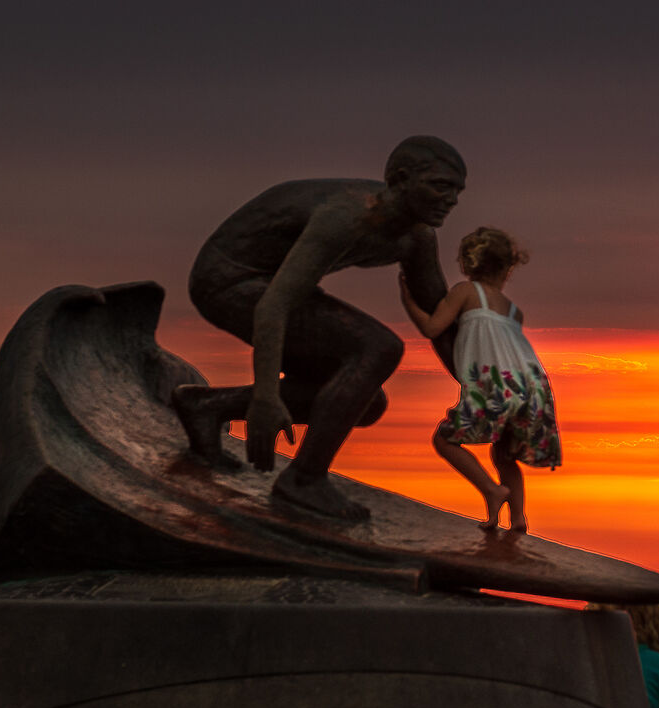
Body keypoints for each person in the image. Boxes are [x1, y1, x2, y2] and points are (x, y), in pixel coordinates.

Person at [170, 137, 467, 520]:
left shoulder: (417, 238)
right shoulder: (347, 216)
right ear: (402, 179)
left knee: (364, 403)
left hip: (276, 291)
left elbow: (440, 320)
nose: (452, 200)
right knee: (379, 348)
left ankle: (205, 407)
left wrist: (484, 394)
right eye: (441, 186)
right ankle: (304, 481)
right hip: (228, 281)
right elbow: (274, 305)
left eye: (458, 191)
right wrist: (264, 397)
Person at [398, 227, 560, 532]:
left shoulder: (466, 292)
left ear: (469, 264)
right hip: (533, 386)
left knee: (445, 440)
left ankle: (491, 490)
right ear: (507, 268)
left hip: (495, 385)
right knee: (504, 454)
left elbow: (433, 328)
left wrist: (408, 301)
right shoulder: (514, 310)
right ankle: (518, 519)